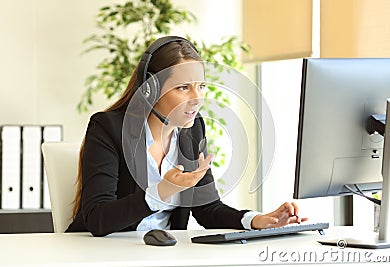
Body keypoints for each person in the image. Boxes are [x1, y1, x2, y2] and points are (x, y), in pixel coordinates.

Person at [66, 36, 307, 237]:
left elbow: (208, 209)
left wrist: (258, 221)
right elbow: (97, 219)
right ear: (150, 89)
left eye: (201, 86)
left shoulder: (192, 130)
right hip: (103, 254)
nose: (197, 98)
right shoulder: (108, 128)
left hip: (165, 254)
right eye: (183, 88)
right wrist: (161, 191)